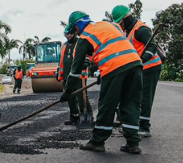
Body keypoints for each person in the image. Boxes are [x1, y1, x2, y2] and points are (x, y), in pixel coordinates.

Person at [61, 11, 144, 154]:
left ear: (77, 26)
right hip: (134, 64)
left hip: (114, 67)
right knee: (130, 104)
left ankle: (97, 142)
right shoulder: (109, 24)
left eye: (75, 29)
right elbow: (114, 45)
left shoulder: (85, 37)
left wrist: (67, 91)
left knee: (107, 104)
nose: (76, 33)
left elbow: (75, 71)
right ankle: (133, 143)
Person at [111, 5, 162, 138]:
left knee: (145, 97)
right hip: (138, 68)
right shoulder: (128, 31)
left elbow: (152, 46)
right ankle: (132, 125)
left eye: (120, 23)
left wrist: (142, 59)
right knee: (134, 96)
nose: (120, 26)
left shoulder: (141, 29)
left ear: (124, 19)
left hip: (150, 67)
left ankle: (144, 127)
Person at [58, 26, 82, 125]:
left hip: (78, 76)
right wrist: (59, 74)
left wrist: (86, 62)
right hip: (67, 77)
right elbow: (62, 61)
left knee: (82, 97)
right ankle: (74, 117)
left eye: (71, 33)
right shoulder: (64, 46)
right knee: (70, 98)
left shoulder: (80, 43)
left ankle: (86, 117)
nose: (69, 36)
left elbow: (87, 56)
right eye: (67, 34)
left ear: (75, 33)